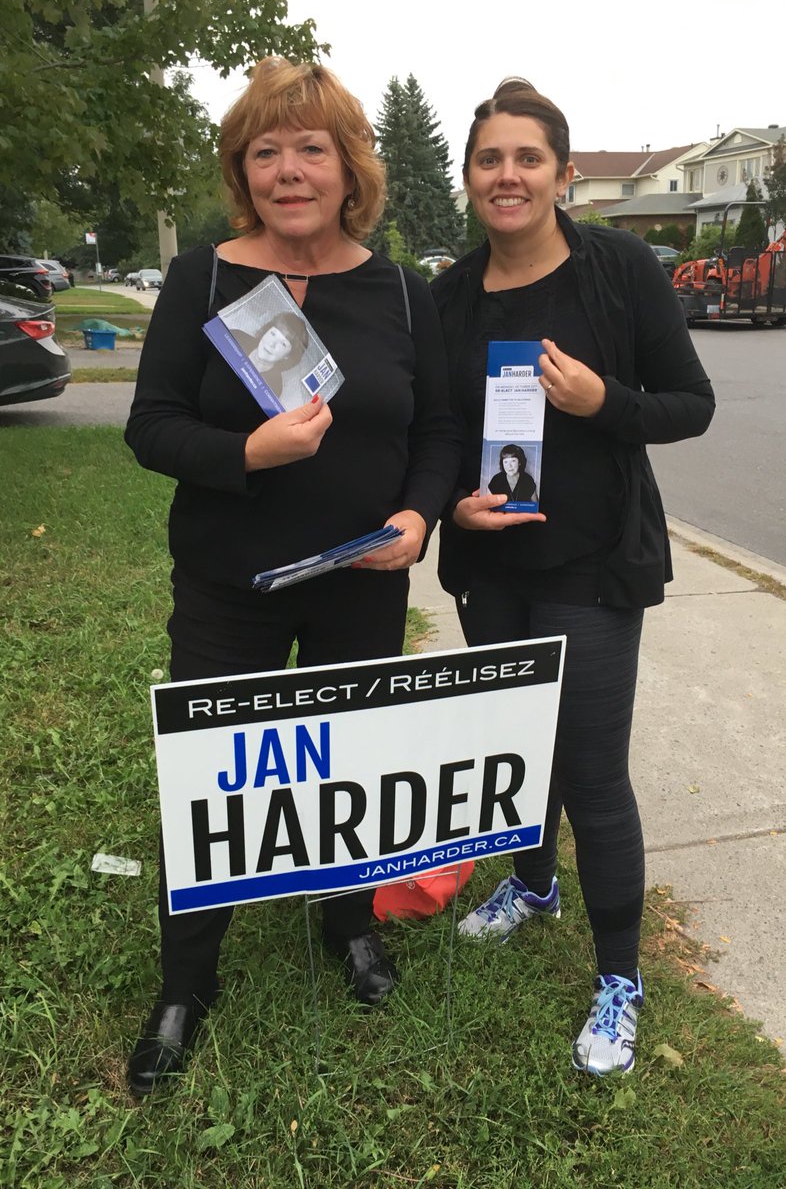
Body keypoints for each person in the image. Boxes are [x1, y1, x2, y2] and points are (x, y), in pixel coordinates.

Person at [124, 55, 459, 1096]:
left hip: (361, 578)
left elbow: (440, 428)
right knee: (215, 774)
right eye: (264, 150)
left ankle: (347, 924)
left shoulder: (403, 294)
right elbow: (150, 427)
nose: (288, 168)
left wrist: (417, 513)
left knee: (346, 765)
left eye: (310, 147)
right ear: (243, 169)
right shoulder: (205, 279)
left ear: (349, 164)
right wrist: (245, 457)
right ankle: (188, 981)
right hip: (231, 584)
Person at [431, 79, 715, 1075]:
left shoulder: (620, 270)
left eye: (527, 158)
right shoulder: (450, 295)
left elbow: (690, 404)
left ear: (560, 172)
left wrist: (603, 401)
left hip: (593, 564)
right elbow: (438, 430)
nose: (506, 176)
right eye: (488, 160)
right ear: (469, 178)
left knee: (592, 776)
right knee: (521, 752)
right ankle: (533, 884)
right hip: (491, 563)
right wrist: (447, 504)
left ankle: (619, 980)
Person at [245, 312, 308, 409]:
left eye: (283, 344)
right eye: (273, 333)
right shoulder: (236, 335)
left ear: (287, 356)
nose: (271, 344)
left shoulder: (273, 388)